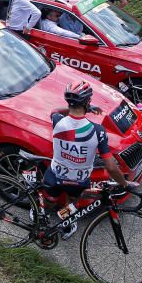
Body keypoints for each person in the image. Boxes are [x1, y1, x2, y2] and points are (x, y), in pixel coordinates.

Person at [45, 81, 132, 238]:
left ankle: (43, 215)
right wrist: (124, 183)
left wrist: (81, 107)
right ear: (87, 102)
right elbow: (111, 167)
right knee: (72, 202)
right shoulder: (97, 131)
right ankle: (65, 222)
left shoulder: (57, 120)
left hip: (55, 175)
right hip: (78, 181)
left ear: (69, 102)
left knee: (50, 199)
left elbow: (56, 110)